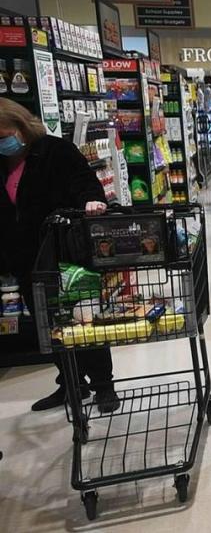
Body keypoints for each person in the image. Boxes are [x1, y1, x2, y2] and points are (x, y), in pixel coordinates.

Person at [0, 98, 120, 413]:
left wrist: (92, 202)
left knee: (84, 318)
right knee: (47, 324)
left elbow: (85, 184)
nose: (2, 144)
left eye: (3, 136)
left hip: (66, 252)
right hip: (24, 257)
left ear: (21, 127)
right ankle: (70, 384)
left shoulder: (55, 151)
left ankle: (104, 386)